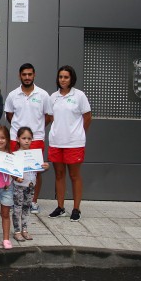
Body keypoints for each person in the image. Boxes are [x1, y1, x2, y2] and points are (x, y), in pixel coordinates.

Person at [5, 63, 51, 214]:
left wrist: (34, 131)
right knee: (15, 169)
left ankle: (33, 201)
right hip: (15, 138)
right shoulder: (12, 95)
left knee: (35, 170)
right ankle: (14, 200)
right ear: (20, 76)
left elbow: (48, 117)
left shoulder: (43, 95)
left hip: (36, 138)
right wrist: (20, 135)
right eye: (24, 74)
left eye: (29, 74)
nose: (27, 77)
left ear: (34, 75)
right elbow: (9, 116)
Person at [47, 65, 92, 222]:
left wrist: (79, 133)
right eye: (60, 77)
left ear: (71, 78)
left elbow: (87, 117)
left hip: (74, 143)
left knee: (74, 175)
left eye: (66, 77)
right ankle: (60, 207)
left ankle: (76, 209)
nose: (63, 80)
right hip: (56, 142)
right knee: (59, 175)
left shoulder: (79, 96)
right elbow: (51, 117)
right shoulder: (53, 97)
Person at [12, 127, 49, 242]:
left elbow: (40, 169)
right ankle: (17, 231)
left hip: (31, 185)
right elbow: (11, 171)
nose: (26, 141)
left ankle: (25, 229)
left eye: (29, 138)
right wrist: (16, 177)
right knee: (17, 208)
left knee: (27, 207)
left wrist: (45, 167)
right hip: (18, 186)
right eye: (24, 138)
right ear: (18, 139)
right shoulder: (15, 154)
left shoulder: (35, 155)